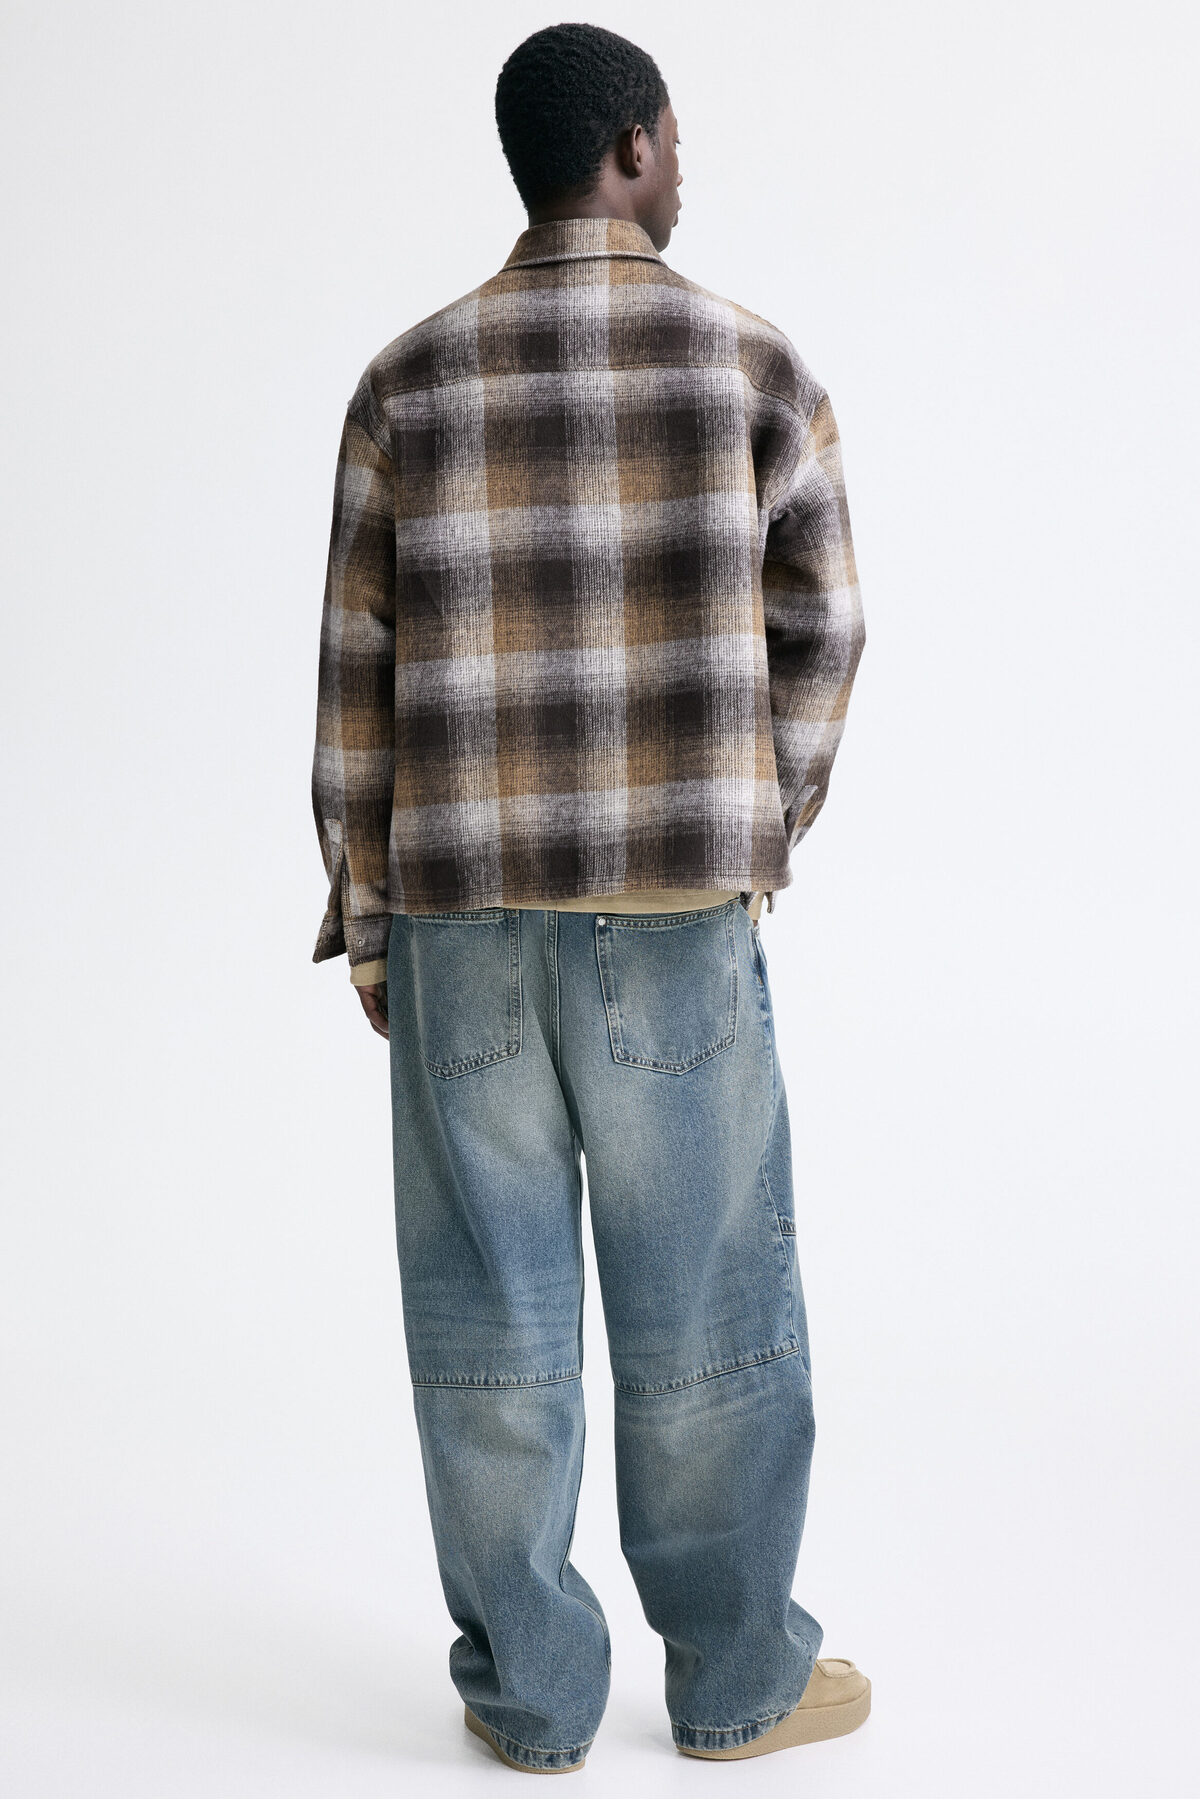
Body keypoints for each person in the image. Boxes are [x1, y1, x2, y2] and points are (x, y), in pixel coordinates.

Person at [311, 21, 868, 1774]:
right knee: (709, 1314)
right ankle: (735, 1684)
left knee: (489, 1328)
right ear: (629, 148)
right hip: (678, 920)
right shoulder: (749, 366)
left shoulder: (405, 385)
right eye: (675, 139)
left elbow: (353, 680)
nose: (684, 166)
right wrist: (751, 823)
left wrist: (373, 918)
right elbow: (828, 626)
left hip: (462, 923)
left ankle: (534, 1700)